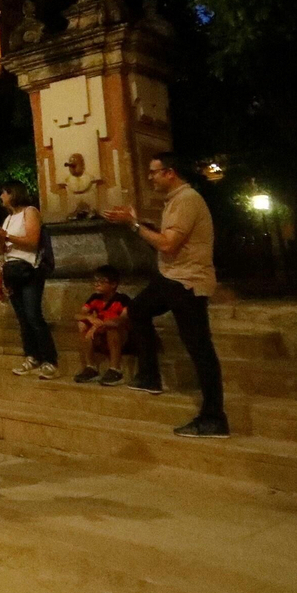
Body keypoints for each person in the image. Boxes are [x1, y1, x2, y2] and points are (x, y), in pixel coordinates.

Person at [105, 153, 229, 438]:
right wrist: (136, 221)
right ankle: (150, 376)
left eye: (154, 172)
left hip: (187, 282)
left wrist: (135, 226)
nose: (150, 177)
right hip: (171, 278)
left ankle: (214, 417)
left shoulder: (187, 200)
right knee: (137, 310)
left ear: (170, 173)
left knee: (200, 349)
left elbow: (169, 244)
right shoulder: (175, 201)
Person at [0, 183, 57, 379]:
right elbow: (2, 251)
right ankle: (32, 356)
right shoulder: (8, 218)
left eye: (3, 192)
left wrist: (7, 236)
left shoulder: (30, 212)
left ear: (13, 193)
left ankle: (50, 360)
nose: (1, 196)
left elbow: (32, 241)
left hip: (30, 270)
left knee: (33, 315)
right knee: (23, 318)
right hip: (13, 271)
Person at [72, 265, 132, 385]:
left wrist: (98, 325)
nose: (97, 284)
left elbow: (123, 318)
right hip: (99, 335)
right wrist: (89, 318)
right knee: (82, 324)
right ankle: (91, 367)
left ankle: (115, 369)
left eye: (101, 281)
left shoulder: (122, 299)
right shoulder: (95, 298)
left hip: (119, 337)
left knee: (112, 326)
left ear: (113, 284)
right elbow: (78, 315)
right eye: (96, 281)